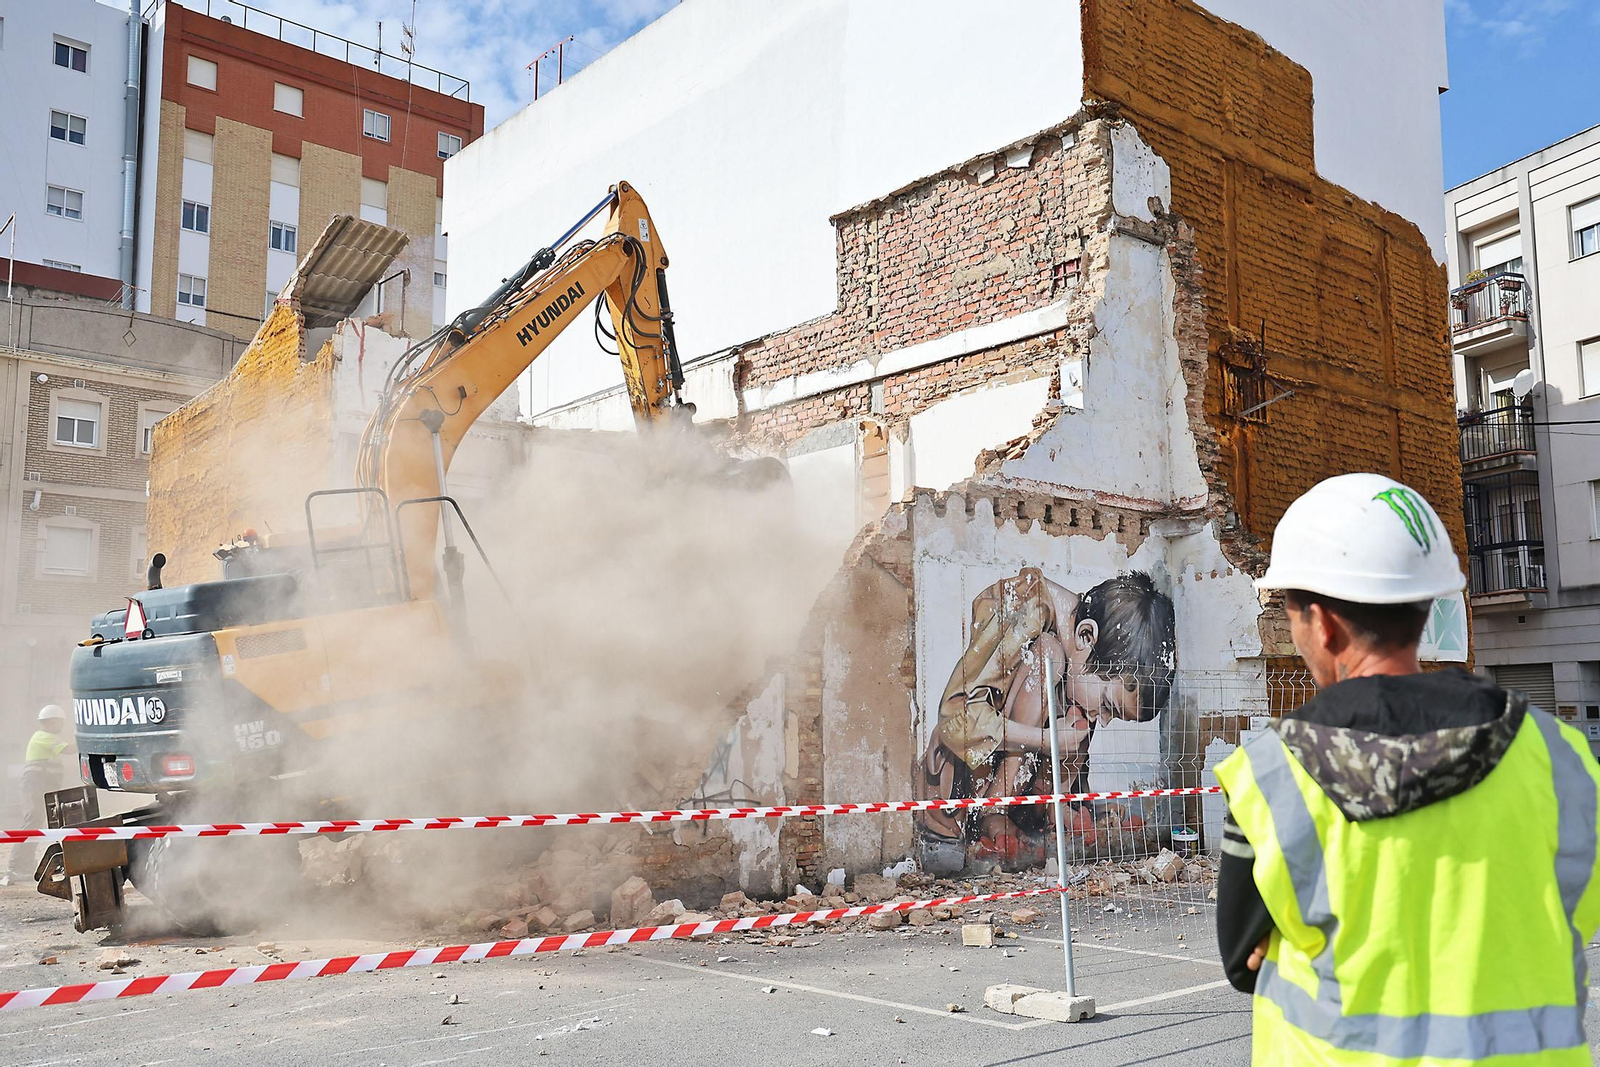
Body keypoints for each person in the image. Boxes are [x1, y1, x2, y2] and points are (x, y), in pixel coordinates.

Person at [1215, 473, 1600, 1065]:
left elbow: (1243, 960)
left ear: (1322, 624)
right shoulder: (1560, 755)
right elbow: (1577, 910)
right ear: (1425, 605)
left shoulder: (1272, 774)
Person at [916, 567, 1176, 872]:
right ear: (1086, 636)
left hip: (1024, 800)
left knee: (1080, 705)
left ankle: (1046, 810)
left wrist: (1061, 801)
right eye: (1108, 705)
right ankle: (991, 813)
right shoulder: (1022, 605)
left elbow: (1080, 708)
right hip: (961, 788)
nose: (1103, 720)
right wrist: (1046, 740)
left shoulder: (1080, 662)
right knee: (1049, 657)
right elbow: (955, 720)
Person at [1, 705, 70, 887]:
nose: (62, 725)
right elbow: (69, 749)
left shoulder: (48, 738)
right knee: (31, 822)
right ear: (52, 721)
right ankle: (15, 867)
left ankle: (25, 865)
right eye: (60, 722)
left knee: (35, 824)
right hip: (34, 786)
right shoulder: (43, 736)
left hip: (39, 787)